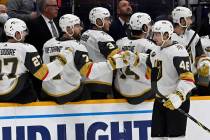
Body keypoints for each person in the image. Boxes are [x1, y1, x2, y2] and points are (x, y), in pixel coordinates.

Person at [41, 14, 130, 104]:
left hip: (48, 93)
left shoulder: (48, 44)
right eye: (77, 26)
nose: (80, 28)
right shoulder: (76, 46)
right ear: (68, 28)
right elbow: (89, 71)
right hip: (70, 94)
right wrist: (112, 63)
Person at [0, 18, 69, 104]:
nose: (26, 34)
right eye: (24, 31)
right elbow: (44, 74)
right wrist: (61, 60)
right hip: (17, 96)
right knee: (27, 77)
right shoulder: (26, 48)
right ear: (17, 33)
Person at [147, 20, 195, 139]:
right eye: (154, 34)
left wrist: (179, 95)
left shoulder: (178, 51)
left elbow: (188, 79)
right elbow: (148, 64)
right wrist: (134, 58)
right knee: (156, 137)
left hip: (176, 101)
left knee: (176, 137)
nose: (154, 37)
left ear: (167, 35)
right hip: (159, 101)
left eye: (158, 34)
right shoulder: (155, 51)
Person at [114, 12, 156, 104]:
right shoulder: (149, 45)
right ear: (145, 28)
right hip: (141, 91)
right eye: (149, 25)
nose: (151, 28)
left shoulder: (119, 42)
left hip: (119, 89)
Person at [80, 7, 121, 99]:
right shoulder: (103, 37)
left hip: (85, 79)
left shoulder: (85, 34)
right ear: (98, 21)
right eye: (107, 19)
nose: (110, 22)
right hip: (100, 82)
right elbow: (118, 58)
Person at [171, 6, 210, 96]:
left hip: (192, 78)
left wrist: (203, 63)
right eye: (188, 18)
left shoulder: (193, 35)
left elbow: (199, 55)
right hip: (175, 79)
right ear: (181, 20)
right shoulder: (169, 37)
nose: (191, 21)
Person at [25, 0, 60, 96]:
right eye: (54, 6)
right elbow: (31, 47)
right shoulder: (33, 24)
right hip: (42, 69)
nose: (57, 8)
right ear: (45, 8)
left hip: (58, 68)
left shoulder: (58, 23)